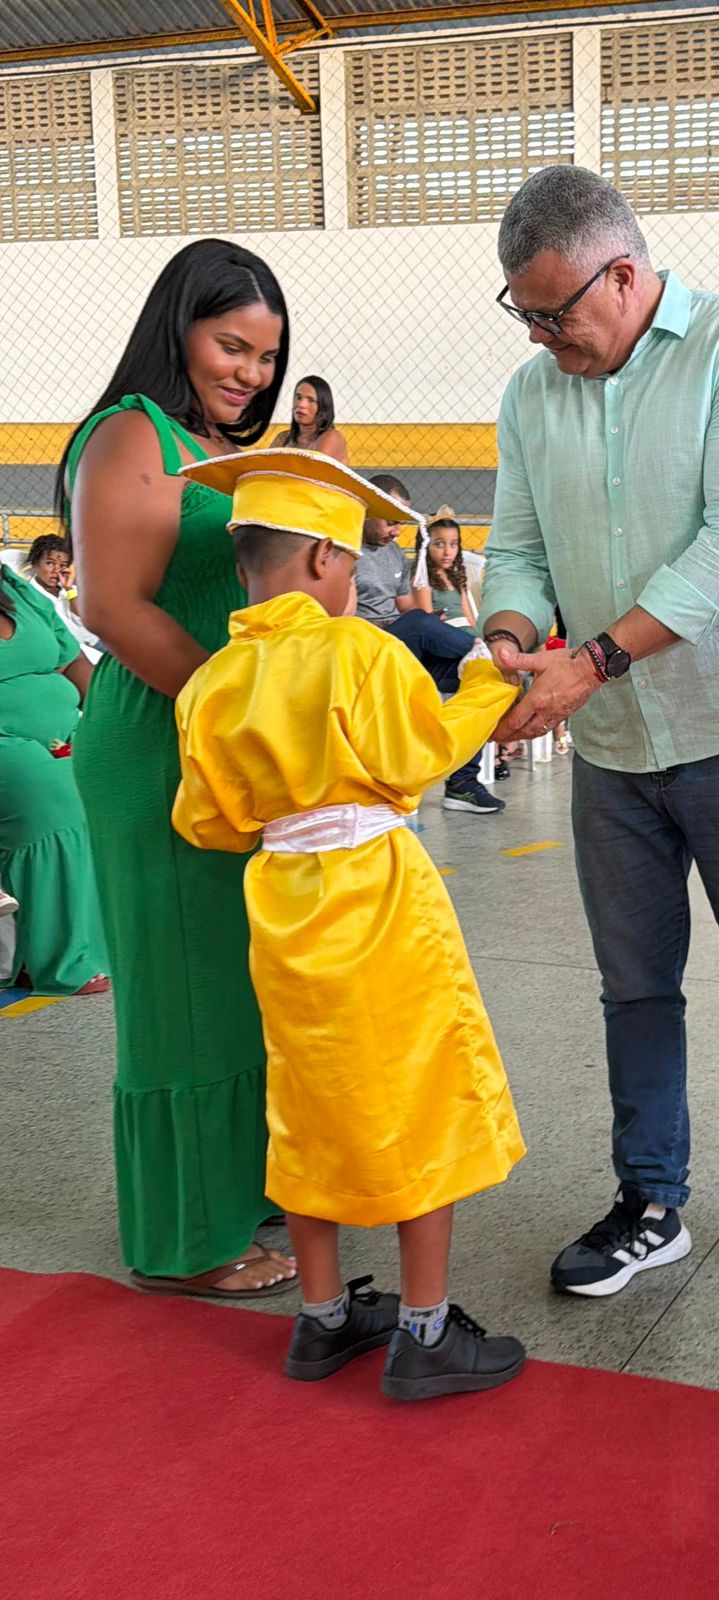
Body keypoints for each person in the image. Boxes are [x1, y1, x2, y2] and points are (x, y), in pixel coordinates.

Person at [481, 164, 719, 1302]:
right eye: (524, 314)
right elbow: (517, 547)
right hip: (615, 755)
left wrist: (588, 660)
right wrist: (508, 639)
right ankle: (651, 1198)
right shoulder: (530, 394)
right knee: (633, 984)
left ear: (626, 273)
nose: (544, 336)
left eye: (557, 310)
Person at [171, 448, 526, 1400]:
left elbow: (208, 821)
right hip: (375, 891)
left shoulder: (212, 683)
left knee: (310, 1097)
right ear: (328, 563)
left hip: (281, 898)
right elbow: (426, 751)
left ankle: (322, 1322)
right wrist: (492, 688)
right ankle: (426, 1330)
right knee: (419, 1092)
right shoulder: (358, 651)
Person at [58, 238, 296, 1299]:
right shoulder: (130, 435)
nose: (248, 372)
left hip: (216, 734)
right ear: (179, 329)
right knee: (181, 993)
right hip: (162, 736)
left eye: (265, 356)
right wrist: (235, 708)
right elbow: (114, 608)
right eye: (230, 344)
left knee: (236, 982)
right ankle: (185, 1237)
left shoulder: (209, 444)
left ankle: (234, 1189)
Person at [355, 476, 502, 815]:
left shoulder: (393, 554)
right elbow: (341, 615)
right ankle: (485, 650)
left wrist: (430, 621)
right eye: (391, 522)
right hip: (366, 645)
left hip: (402, 646)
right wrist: (418, 623)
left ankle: (463, 784)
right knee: (421, 624)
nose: (397, 532)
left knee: (480, 675)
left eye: (401, 524)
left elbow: (406, 608)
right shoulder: (345, 548)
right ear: (368, 509)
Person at [0, 565, 108, 996]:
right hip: (7, 740)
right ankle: (61, 960)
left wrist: (110, 723)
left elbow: (76, 664)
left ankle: (94, 942)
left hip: (64, 732)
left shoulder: (15, 591)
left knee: (109, 777)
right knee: (54, 799)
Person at [21, 533, 103, 664]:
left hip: (96, 641)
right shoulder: (29, 596)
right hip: (74, 650)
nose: (56, 570)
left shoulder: (70, 590)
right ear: (35, 563)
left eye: (62, 565)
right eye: (50, 563)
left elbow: (82, 617)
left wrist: (69, 589)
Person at [411, 506, 479, 629]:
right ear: (425, 546)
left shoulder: (457, 578)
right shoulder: (422, 582)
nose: (447, 552)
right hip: (446, 636)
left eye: (453, 544)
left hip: (470, 635)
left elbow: (471, 620)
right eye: (439, 545)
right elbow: (428, 627)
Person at [271, 374, 348, 463]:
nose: (301, 404)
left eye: (311, 400)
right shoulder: (283, 438)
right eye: (298, 397)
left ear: (323, 406)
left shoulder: (331, 438)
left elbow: (311, 475)